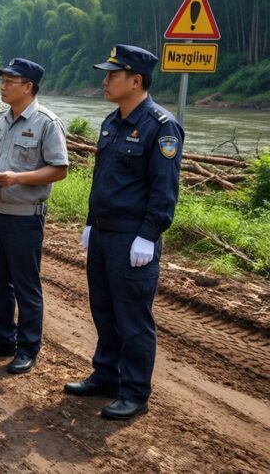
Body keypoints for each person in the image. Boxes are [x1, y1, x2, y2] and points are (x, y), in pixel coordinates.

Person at [64, 44, 184, 420]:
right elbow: (102, 180)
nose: (105, 80)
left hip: (133, 239)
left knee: (133, 320)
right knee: (104, 311)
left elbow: (164, 190)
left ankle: (134, 391)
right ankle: (105, 375)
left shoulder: (161, 128)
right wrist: (89, 221)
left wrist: (149, 235)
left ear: (135, 80)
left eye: (112, 75)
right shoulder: (111, 122)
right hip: (103, 233)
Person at [0, 58, 68, 374]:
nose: (3, 86)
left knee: (25, 285)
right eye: (3, 80)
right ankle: (1, 338)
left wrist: (18, 178)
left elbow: (59, 170)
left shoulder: (46, 123)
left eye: (11, 81)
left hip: (25, 217)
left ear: (28, 87)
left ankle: (27, 348)